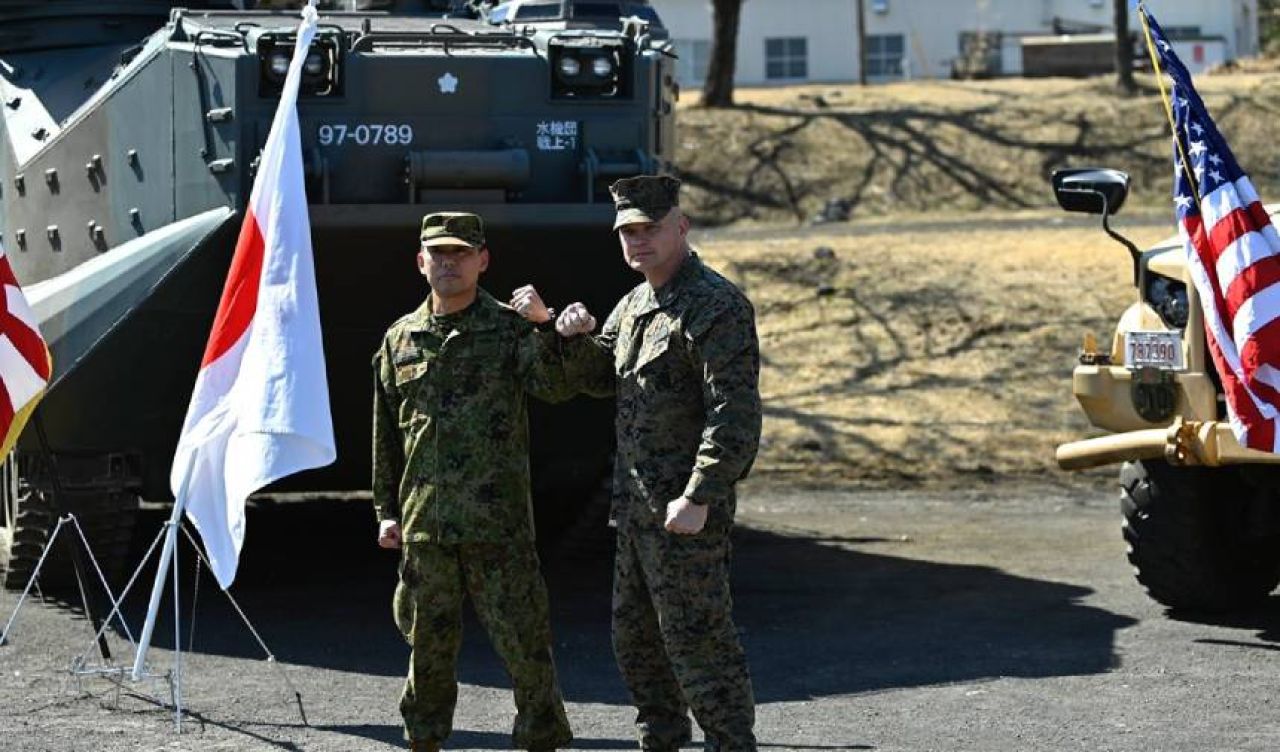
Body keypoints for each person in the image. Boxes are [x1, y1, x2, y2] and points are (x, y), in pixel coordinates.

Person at [519, 175, 763, 752]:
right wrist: (563, 334)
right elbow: (601, 379)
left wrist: (700, 494)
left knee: (699, 642)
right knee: (637, 642)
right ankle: (661, 739)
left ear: (682, 227)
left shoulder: (715, 306)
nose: (637, 241)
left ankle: (731, 744)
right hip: (635, 512)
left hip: (684, 512)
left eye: (650, 229)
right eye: (627, 231)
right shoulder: (633, 305)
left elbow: (734, 414)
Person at [371, 212, 576, 752]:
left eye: (460, 253)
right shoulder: (400, 340)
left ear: (482, 261)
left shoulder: (510, 328)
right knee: (427, 648)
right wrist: (386, 511)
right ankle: (424, 738)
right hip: (426, 525)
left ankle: (541, 739)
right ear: (420, 263)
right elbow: (387, 436)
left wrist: (544, 326)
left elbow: (554, 388)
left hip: (498, 524)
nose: (448, 263)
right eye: (438, 254)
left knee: (525, 644)